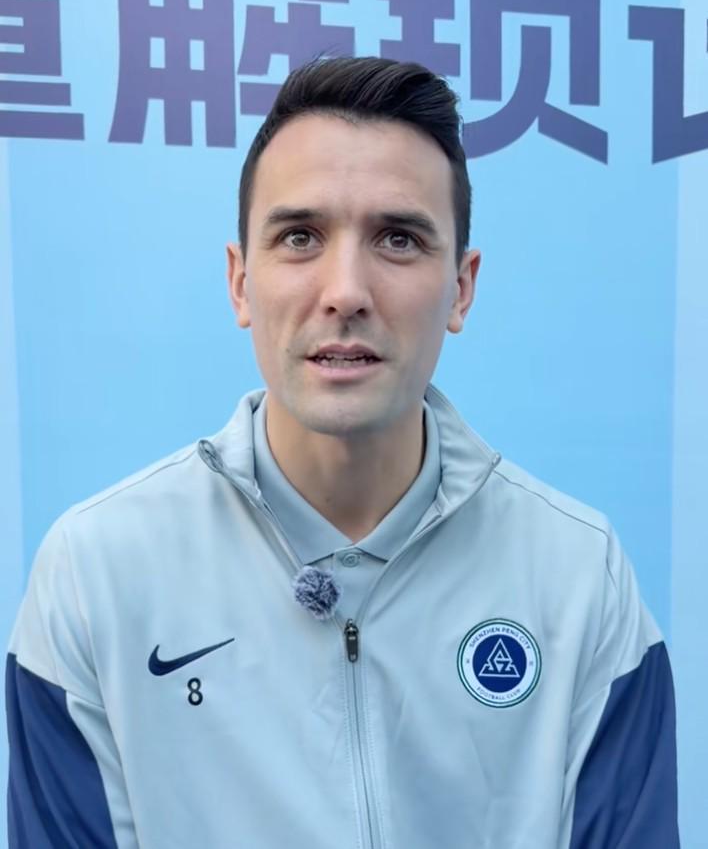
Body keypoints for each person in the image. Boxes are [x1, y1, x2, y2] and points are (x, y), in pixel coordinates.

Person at [5, 57, 678, 849]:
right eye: (300, 237)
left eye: (398, 238)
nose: (346, 291)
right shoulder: (98, 576)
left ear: (461, 288)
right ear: (240, 281)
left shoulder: (578, 577)